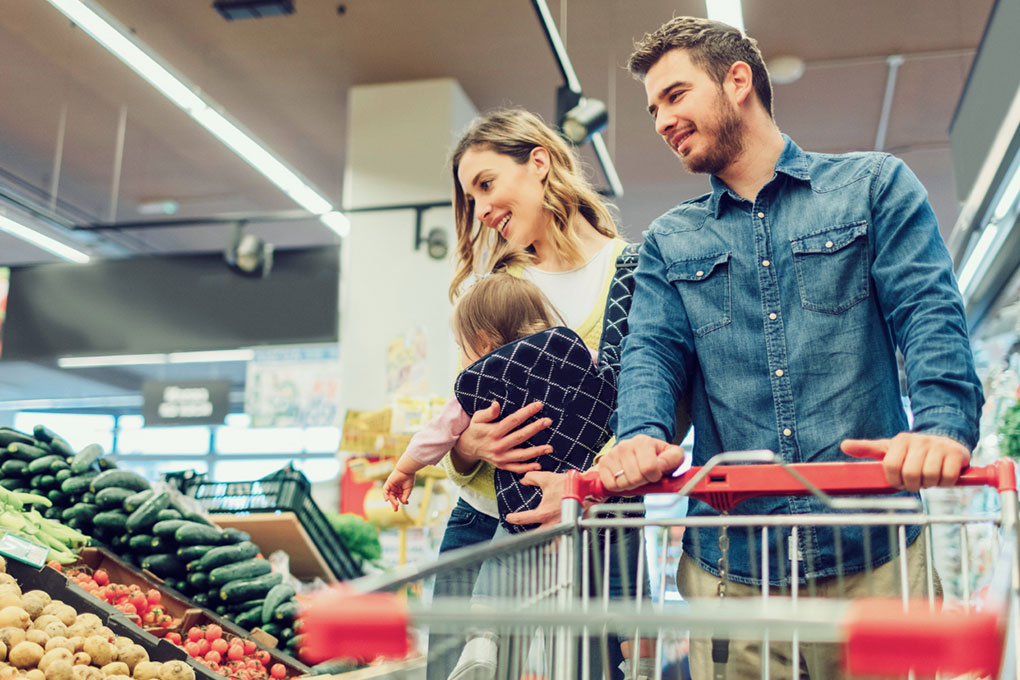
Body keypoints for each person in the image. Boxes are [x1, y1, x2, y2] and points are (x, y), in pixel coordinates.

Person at [590, 16, 984, 680]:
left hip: (879, 566)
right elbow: (652, 353)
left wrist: (944, 428)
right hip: (732, 576)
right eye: (654, 107)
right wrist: (640, 434)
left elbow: (928, 313)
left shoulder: (873, 188)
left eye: (676, 95)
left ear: (737, 80)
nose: (662, 120)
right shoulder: (668, 242)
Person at [428, 108, 653, 680]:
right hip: (484, 525)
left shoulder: (635, 273)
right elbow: (459, 428)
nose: (480, 211)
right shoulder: (495, 290)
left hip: (597, 530)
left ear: (539, 162)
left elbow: (654, 409)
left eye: (486, 185)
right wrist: (470, 447)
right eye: (470, 198)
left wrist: (587, 484)